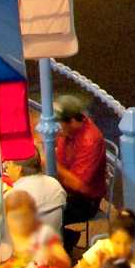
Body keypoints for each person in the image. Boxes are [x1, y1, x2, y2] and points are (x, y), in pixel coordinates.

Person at [53, 96, 107, 259]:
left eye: (60, 122)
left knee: (49, 213)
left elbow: (79, 185)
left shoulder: (90, 141)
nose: (57, 127)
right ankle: (64, 238)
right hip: (66, 190)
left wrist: (51, 164)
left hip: (85, 200)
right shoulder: (66, 134)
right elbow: (61, 163)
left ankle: (64, 244)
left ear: (72, 122)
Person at [3, 189, 70, 268]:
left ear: (33, 214)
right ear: (5, 218)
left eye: (26, 215)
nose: (21, 222)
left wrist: (52, 257)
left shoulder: (43, 234)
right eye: (15, 217)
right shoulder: (3, 236)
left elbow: (66, 264)